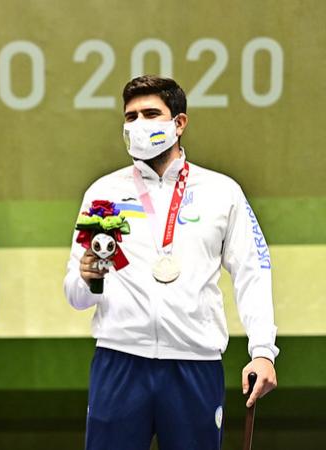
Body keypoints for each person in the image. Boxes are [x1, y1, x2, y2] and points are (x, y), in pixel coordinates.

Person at [64, 75, 279, 450]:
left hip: (194, 364)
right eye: (130, 117)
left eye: (150, 114)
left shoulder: (221, 191)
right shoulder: (103, 194)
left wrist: (263, 351)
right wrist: (87, 278)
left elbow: (252, 271)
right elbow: (77, 297)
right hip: (119, 361)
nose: (138, 125)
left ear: (179, 123)